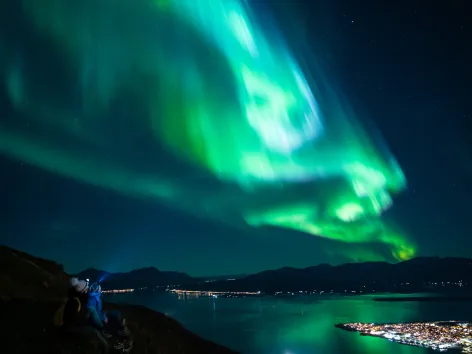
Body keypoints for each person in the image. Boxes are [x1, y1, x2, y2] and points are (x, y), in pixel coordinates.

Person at [87, 281, 133, 352]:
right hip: (99, 320)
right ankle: (122, 334)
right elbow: (94, 313)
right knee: (115, 315)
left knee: (115, 313)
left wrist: (104, 314)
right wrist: (104, 318)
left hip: (100, 317)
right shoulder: (93, 299)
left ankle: (121, 330)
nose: (100, 288)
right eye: (99, 287)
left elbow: (98, 310)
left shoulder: (95, 296)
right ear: (97, 289)